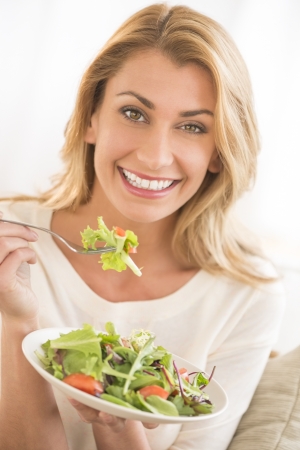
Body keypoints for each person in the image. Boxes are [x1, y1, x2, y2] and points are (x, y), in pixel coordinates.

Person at [0, 3, 285, 450]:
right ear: (92, 116)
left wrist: (116, 420)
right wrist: (17, 321)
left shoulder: (246, 295)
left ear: (219, 151)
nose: (155, 156)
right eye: (134, 113)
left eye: (192, 126)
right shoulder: (8, 239)